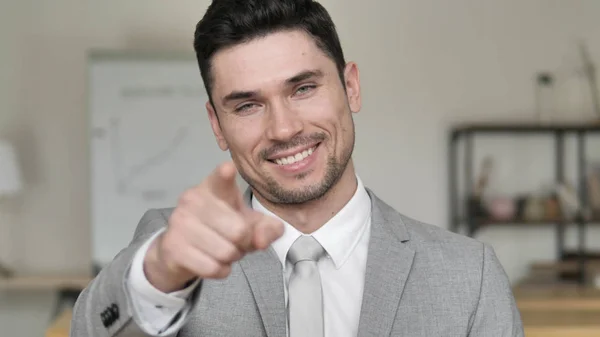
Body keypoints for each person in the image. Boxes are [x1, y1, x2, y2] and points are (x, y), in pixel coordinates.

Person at [71, 0, 524, 336]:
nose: (284, 129)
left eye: (303, 88)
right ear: (218, 124)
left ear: (350, 87)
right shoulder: (172, 255)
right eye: (248, 105)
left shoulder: (469, 276)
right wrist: (159, 271)